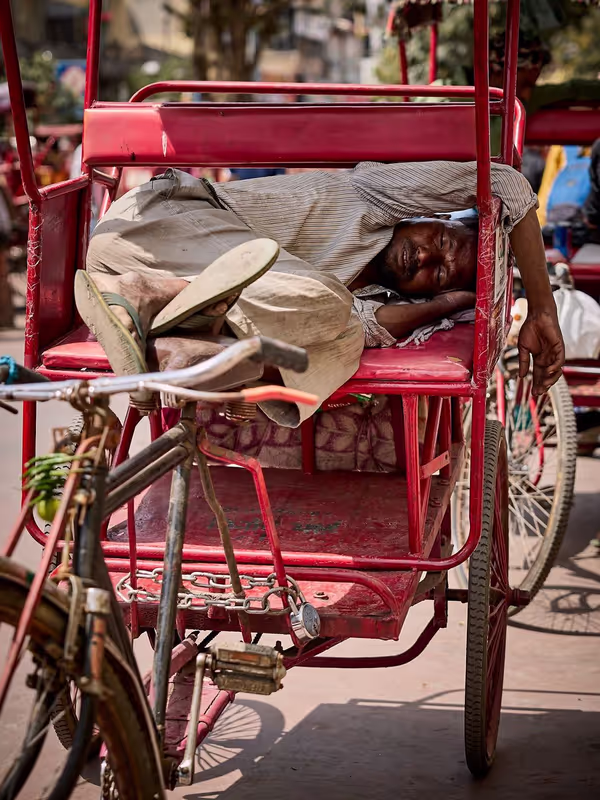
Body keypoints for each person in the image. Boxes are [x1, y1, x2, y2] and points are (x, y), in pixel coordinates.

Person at [76, 162, 564, 427]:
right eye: (439, 243)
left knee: (347, 335)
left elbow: (366, 327)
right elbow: (507, 182)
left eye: (438, 276)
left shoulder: (374, 296)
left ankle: (185, 347)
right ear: (428, 217)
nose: (427, 260)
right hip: (151, 227)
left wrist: (448, 303)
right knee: (331, 306)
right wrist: (543, 309)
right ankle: (150, 295)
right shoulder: (376, 195)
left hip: (161, 274)